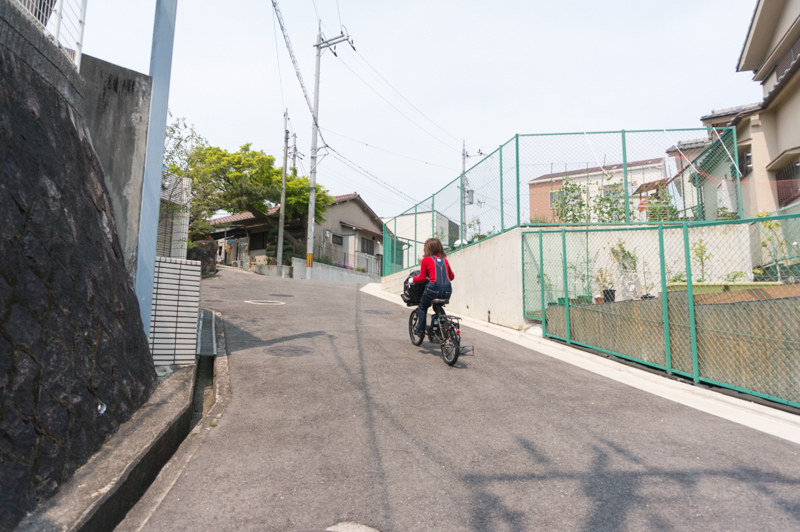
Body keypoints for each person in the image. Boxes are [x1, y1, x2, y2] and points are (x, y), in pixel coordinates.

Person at [410, 238, 455, 337]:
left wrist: (412, 279)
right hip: (447, 291)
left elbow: (422, 278)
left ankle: (420, 330)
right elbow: (452, 277)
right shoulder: (445, 260)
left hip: (433, 290)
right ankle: (445, 326)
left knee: (422, 306)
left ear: (428, 248)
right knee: (437, 306)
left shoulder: (426, 260)